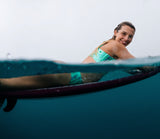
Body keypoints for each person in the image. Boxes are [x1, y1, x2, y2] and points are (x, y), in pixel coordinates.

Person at [0, 21, 136, 91]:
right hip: (72, 76)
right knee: (5, 85)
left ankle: (10, 89)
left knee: (14, 84)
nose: (126, 38)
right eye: (123, 34)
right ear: (115, 32)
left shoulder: (112, 48)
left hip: (68, 73)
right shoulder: (117, 47)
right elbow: (141, 65)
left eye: (131, 36)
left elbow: (131, 69)